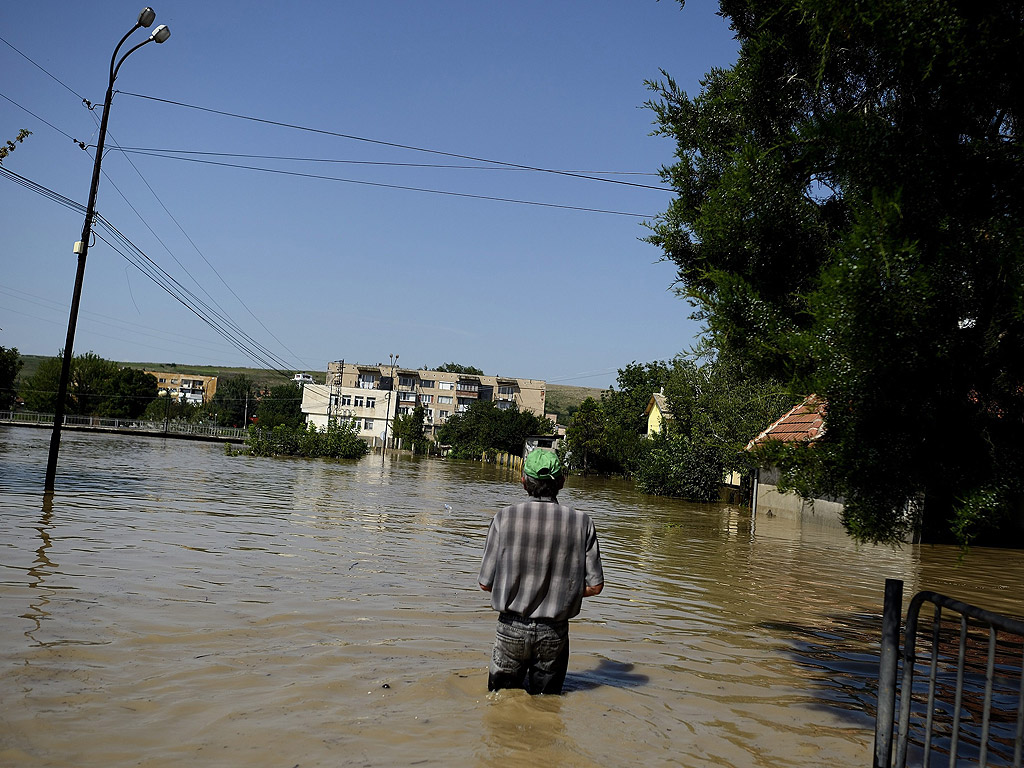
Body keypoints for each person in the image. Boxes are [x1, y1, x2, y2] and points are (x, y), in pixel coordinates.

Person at [478, 448, 604, 694]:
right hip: (554, 632)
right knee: (547, 706)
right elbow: (595, 586)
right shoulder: (582, 522)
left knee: (499, 703)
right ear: (561, 482)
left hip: (510, 628)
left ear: (523, 481)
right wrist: (560, 594)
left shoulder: (503, 518)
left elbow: (485, 583)